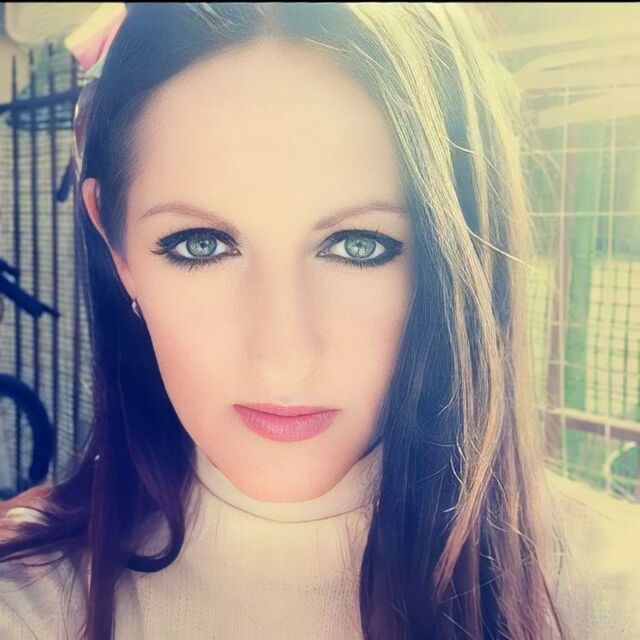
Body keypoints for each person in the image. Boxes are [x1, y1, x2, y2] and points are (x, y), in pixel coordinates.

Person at [0, 3, 638, 639]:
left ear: (457, 250)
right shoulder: (29, 605)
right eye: (200, 244)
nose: (284, 358)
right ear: (117, 249)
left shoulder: (610, 596)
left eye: (359, 245)